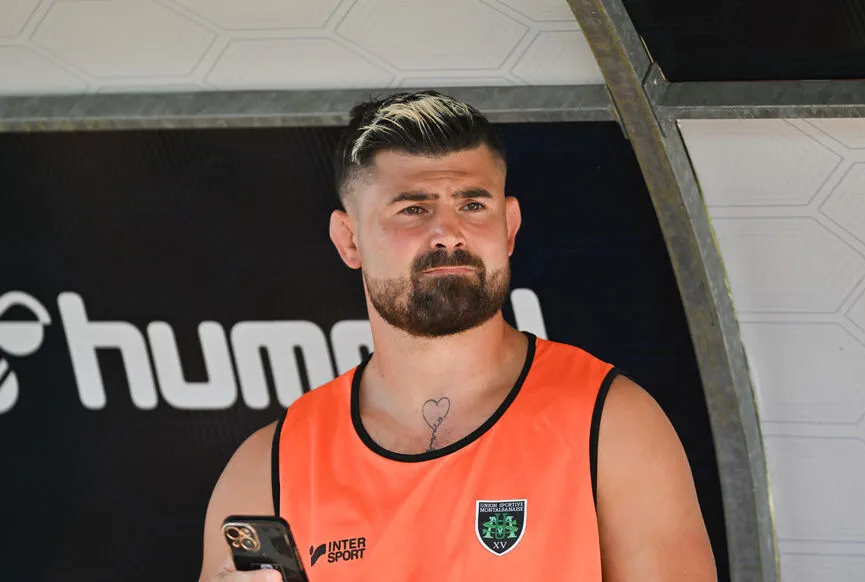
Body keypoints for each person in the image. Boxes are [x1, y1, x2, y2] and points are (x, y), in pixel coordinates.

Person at [199, 90, 717, 581]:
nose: (448, 233)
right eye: (413, 208)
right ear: (349, 239)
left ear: (509, 226)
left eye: (472, 205)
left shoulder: (611, 425)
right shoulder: (269, 468)